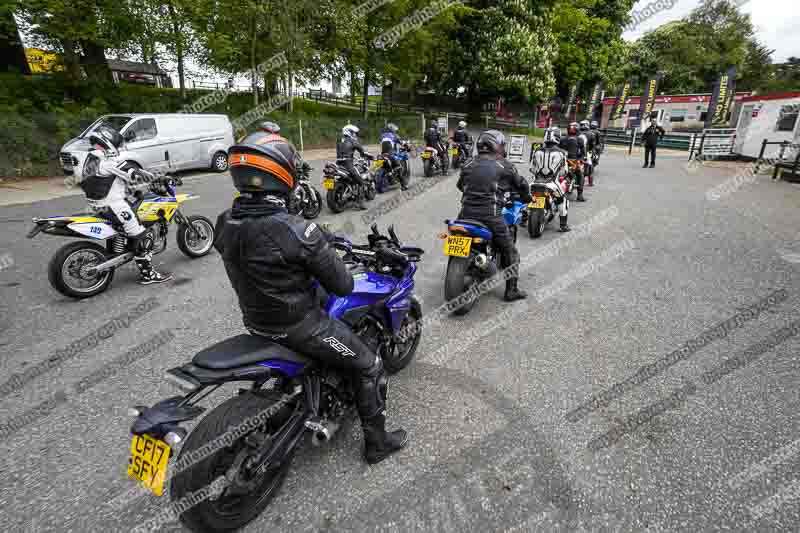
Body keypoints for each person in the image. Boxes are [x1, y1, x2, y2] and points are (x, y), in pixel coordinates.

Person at [214, 138, 407, 465]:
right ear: (282, 174)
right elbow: (343, 285)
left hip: (257, 321)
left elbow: (265, 244)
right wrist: (319, 246)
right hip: (303, 327)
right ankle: (377, 443)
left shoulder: (224, 222)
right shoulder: (298, 233)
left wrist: (319, 239)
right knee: (369, 365)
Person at [77, 124, 172, 285]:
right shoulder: (108, 160)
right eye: (118, 144)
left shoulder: (90, 158)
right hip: (114, 206)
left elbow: (107, 181)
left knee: (129, 223)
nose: (120, 148)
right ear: (109, 142)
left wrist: (130, 189)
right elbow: (133, 173)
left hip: (98, 204)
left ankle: (124, 247)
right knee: (143, 236)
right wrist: (159, 178)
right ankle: (148, 275)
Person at [456, 130, 532, 302]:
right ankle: (511, 290)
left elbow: (461, 186)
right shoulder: (505, 165)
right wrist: (527, 198)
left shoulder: (468, 163)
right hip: (490, 216)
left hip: (464, 215)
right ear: (497, 145)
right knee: (510, 251)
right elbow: (521, 185)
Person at [531, 127, 571, 232]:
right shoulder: (562, 153)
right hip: (552, 183)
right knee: (563, 201)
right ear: (557, 137)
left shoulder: (537, 151)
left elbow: (532, 169)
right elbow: (564, 172)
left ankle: (524, 218)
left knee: (529, 198)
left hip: (536, 182)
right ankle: (563, 225)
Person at [336, 124, 372, 210]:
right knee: (361, 182)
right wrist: (370, 156)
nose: (355, 135)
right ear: (350, 132)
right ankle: (360, 203)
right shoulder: (352, 141)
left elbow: (342, 152)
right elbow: (362, 152)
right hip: (348, 165)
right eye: (354, 133)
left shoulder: (339, 140)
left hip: (339, 164)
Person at [559, 122, 587, 202]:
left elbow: (558, 150)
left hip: (563, 161)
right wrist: (581, 159)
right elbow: (583, 153)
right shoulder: (580, 139)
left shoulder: (562, 139)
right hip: (574, 162)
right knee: (580, 176)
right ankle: (580, 195)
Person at [579, 120, 596, 186]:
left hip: (576, 153)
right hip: (587, 153)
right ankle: (590, 182)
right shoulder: (591, 134)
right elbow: (593, 145)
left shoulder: (577, 133)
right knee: (591, 168)